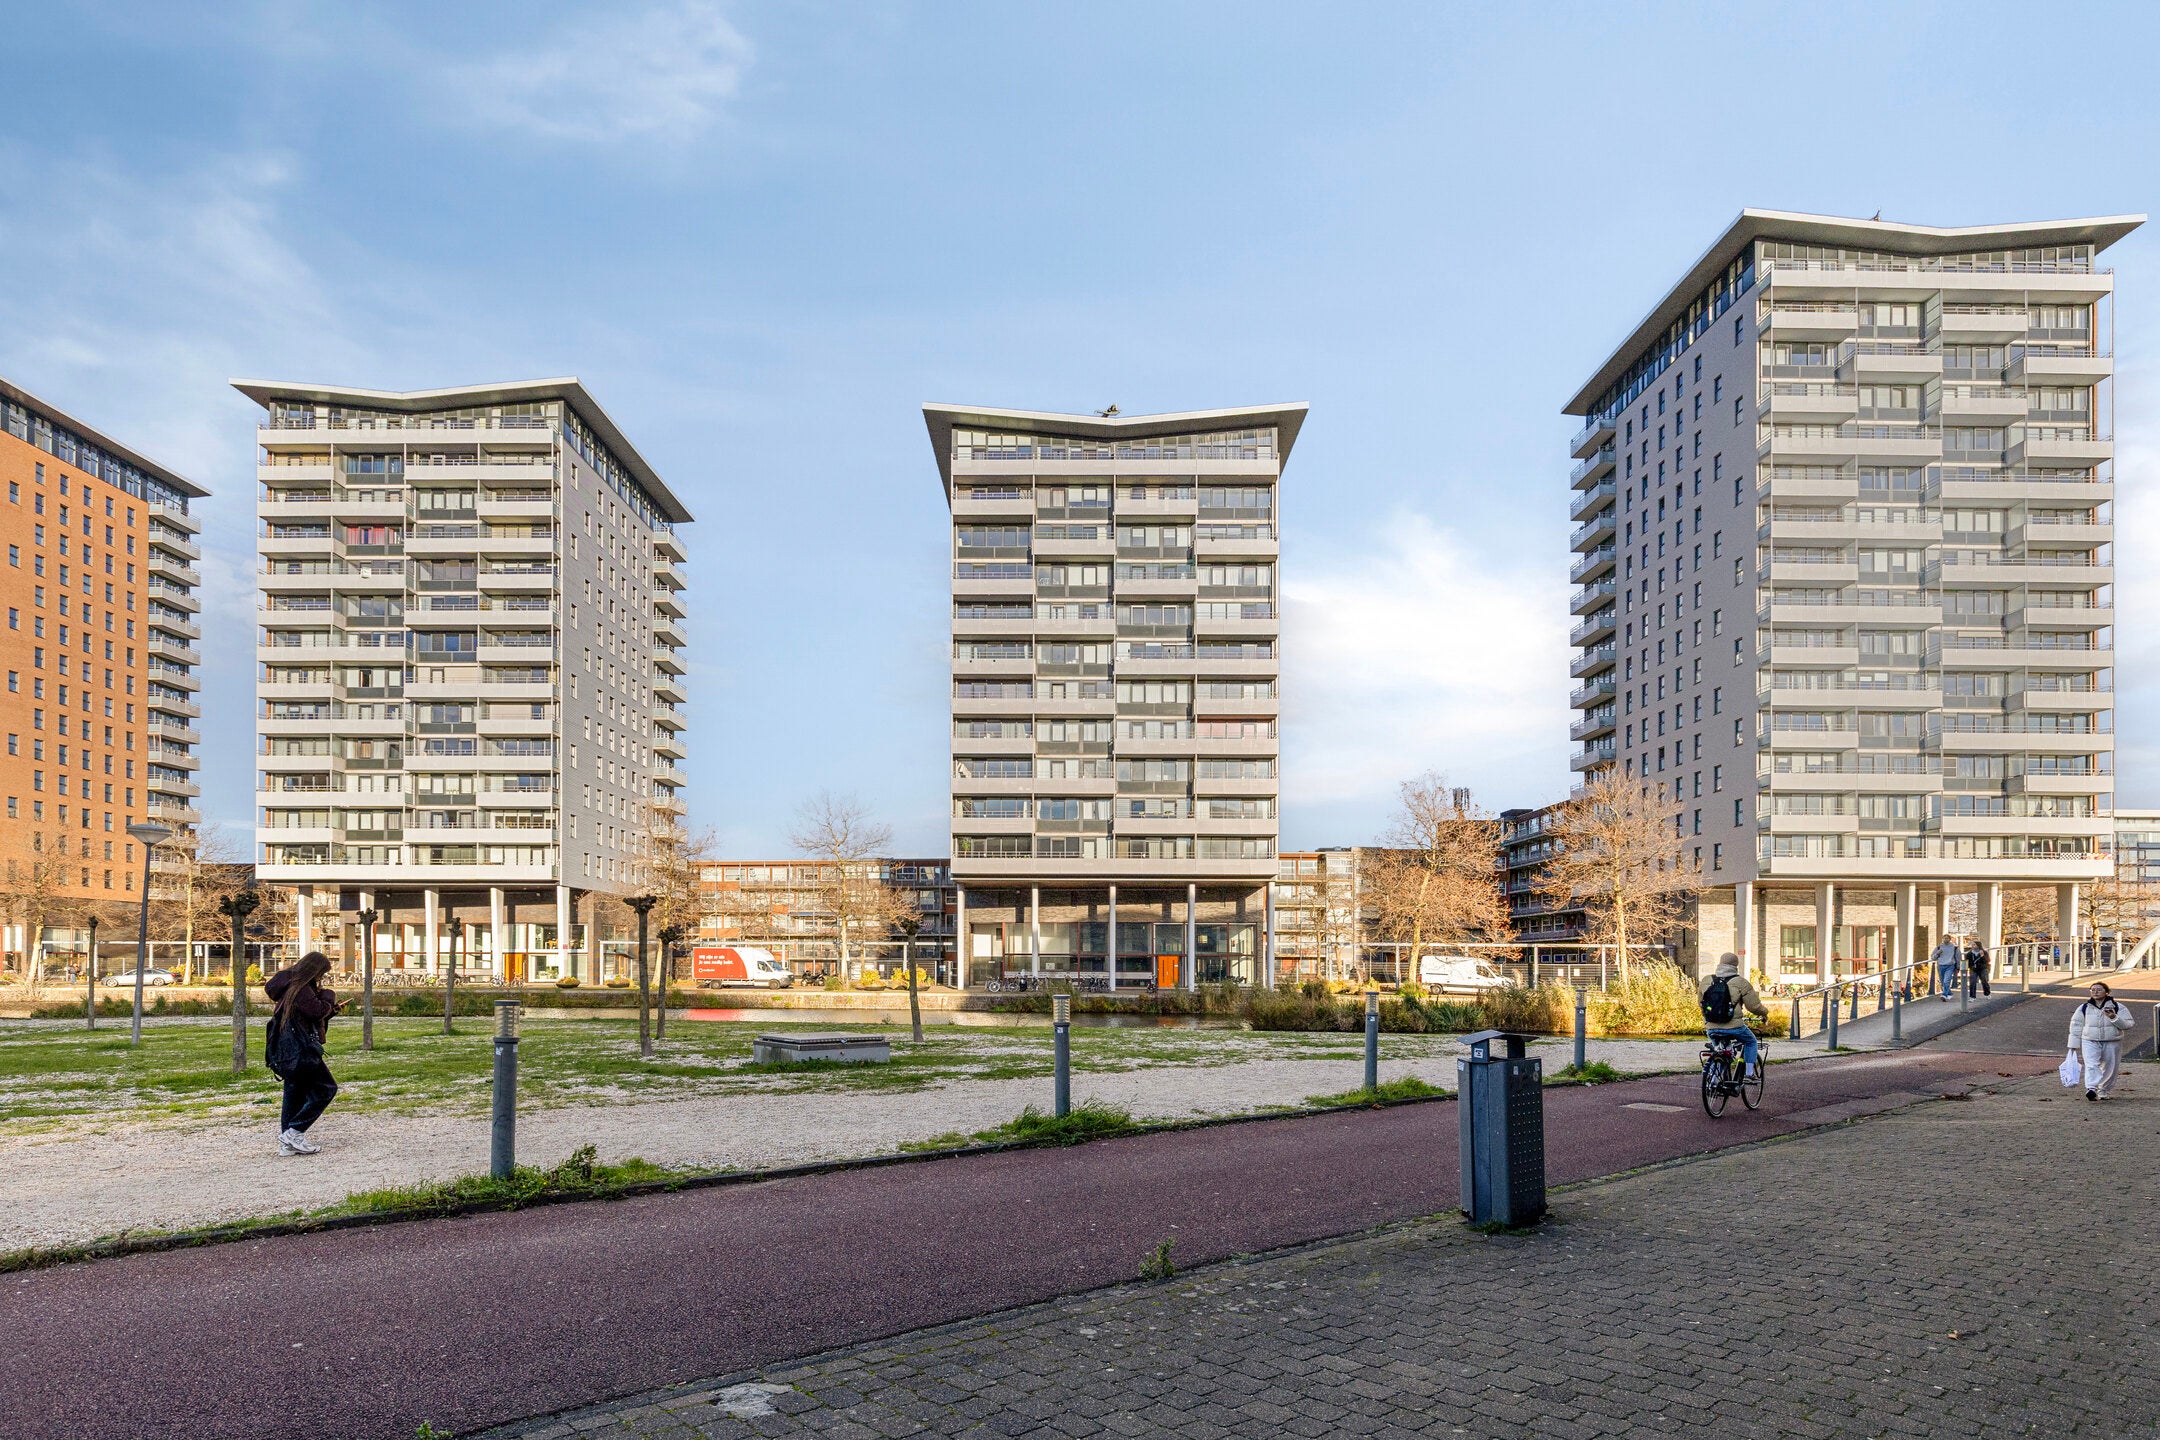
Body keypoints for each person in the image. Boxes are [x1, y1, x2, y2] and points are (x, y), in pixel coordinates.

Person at [264, 951, 343, 1155]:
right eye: (321, 974)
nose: (321, 979)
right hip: (302, 1047)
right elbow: (315, 1011)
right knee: (326, 1089)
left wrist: (330, 1010)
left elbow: (308, 1015)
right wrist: (329, 997)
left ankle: (287, 1143)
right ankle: (294, 1132)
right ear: (314, 970)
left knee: (294, 1092)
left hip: (287, 1046)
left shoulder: (289, 985)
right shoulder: (301, 988)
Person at [1699, 953, 1770, 1079]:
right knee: (1751, 1042)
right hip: (1734, 1027)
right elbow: (1753, 1006)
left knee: (1721, 1050)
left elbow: (1701, 1003)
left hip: (1711, 1027)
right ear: (1736, 965)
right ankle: (1749, 1072)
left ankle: (1714, 1080)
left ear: (1720, 963)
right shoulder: (1741, 982)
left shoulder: (1706, 980)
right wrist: (1764, 1013)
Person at [2067, 980, 2136, 1102]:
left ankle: (2103, 1090)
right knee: (2091, 1064)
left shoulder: (2118, 1007)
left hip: (2112, 1041)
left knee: (2110, 1067)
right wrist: (2073, 1045)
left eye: (2099, 989)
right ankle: (2091, 1088)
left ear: (2107, 992)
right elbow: (2076, 1026)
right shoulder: (2084, 1007)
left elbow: (2128, 1024)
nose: (2095, 992)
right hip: (2089, 1040)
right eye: (2093, 990)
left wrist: (2114, 1017)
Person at [1930, 935, 1960, 1002]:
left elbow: (1958, 958)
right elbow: (1932, 958)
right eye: (1944, 938)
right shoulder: (1938, 947)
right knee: (1942, 982)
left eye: (1947, 938)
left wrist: (1958, 967)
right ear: (1942, 939)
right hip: (1941, 965)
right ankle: (1949, 993)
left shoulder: (1955, 948)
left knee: (1947, 980)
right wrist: (1937, 953)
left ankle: (1944, 995)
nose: (1945, 939)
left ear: (1950, 939)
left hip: (1950, 965)